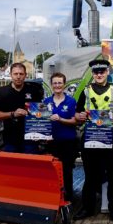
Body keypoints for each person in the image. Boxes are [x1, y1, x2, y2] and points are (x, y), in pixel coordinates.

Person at [74, 59, 113, 221]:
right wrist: (80, 116)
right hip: (90, 137)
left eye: (102, 72)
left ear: (107, 72)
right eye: (96, 72)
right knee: (90, 175)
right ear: (92, 74)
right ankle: (88, 208)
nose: (99, 74)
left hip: (111, 136)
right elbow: (77, 115)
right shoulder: (85, 91)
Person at [0, 63, 42, 153]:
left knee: (30, 166)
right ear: (10, 75)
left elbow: (41, 114)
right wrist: (13, 114)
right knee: (12, 166)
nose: (18, 77)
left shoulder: (34, 91)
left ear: (25, 75)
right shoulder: (2, 92)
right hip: (10, 138)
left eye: (21, 74)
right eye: (15, 74)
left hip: (30, 138)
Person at [43, 72, 78, 202]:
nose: (57, 85)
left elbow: (75, 121)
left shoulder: (71, 101)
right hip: (52, 142)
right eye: (55, 83)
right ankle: (55, 197)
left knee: (67, 170)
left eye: (60, 83)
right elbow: (42, 122)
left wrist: (61, 119)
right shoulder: (46, 102)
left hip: (68, 141)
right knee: (52, 171)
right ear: (52, 85)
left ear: (64, 84)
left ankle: (68, 198)